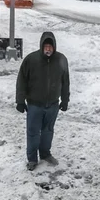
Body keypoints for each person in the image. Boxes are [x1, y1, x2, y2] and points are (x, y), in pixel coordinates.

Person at [15, 31, 70, 171]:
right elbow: (21, 80)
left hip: (52, 105)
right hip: (35, 104)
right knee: (33, 132)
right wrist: (20, 101)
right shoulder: (31, 60)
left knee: (48, 131)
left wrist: (65, 100)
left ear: (54, 47)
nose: (48, 49)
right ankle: (32, 159)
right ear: (41, 46)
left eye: (50, 46)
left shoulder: (61, 60)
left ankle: (45, 153)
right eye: (45, 46)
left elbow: (65, 82)